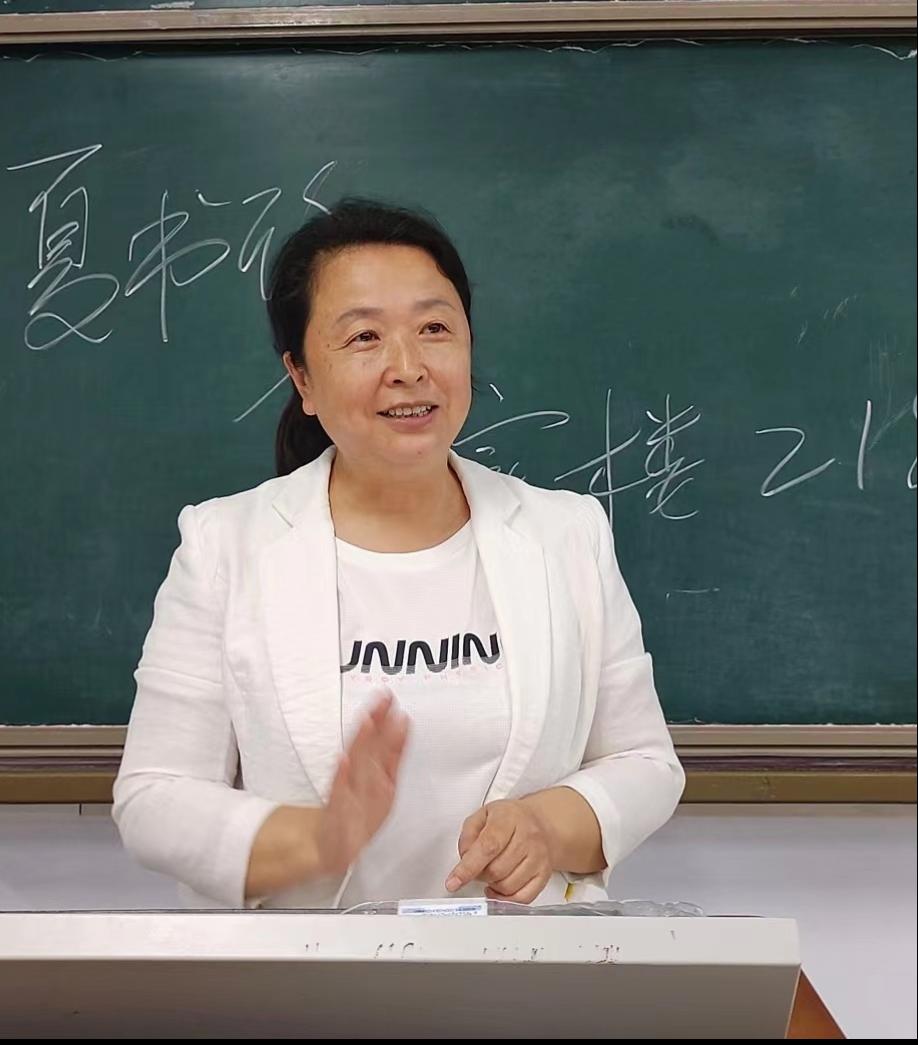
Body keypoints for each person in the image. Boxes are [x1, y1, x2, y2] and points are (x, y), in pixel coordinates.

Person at [112, 197, 684, 910]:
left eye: (434, 328)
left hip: (524, 964)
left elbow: (644, 762)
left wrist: (547, 824)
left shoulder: (567, 533)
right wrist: (318, 839)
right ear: (302, 378)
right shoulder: (225, 545)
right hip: (307, 969)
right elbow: (154, 796)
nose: (408, 367)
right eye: (364, 338)